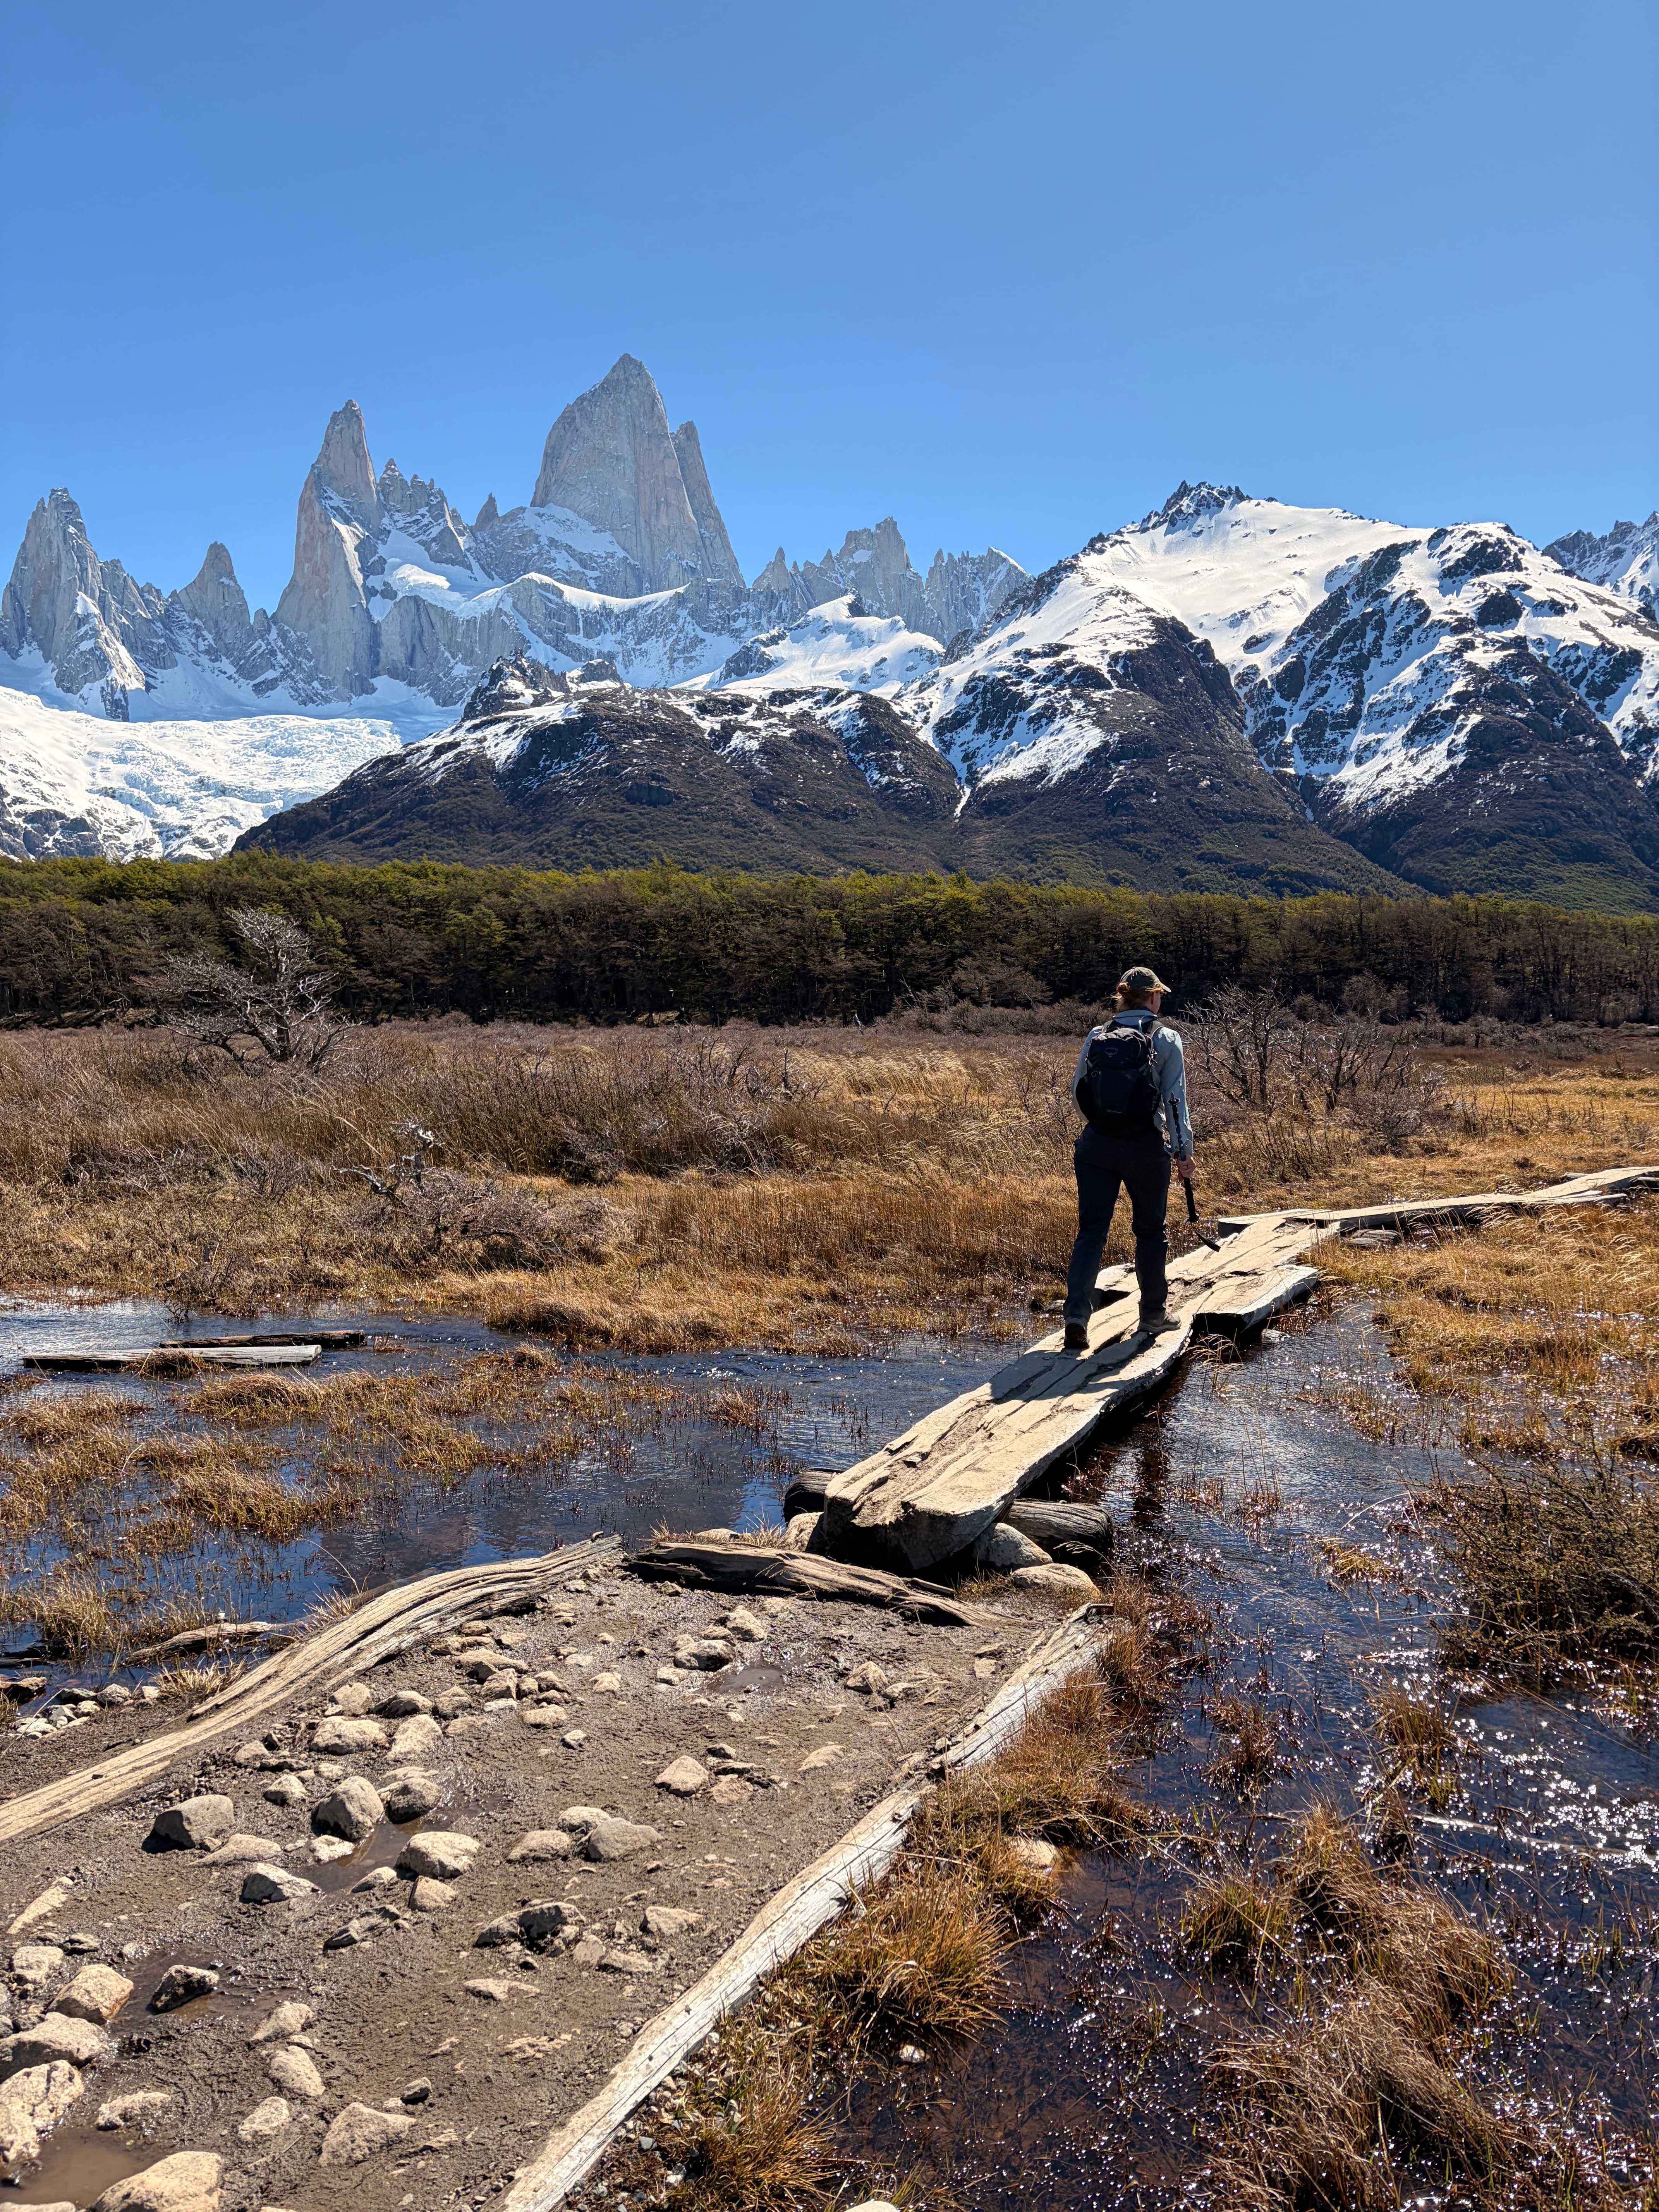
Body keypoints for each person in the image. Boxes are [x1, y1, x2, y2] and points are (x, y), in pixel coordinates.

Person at [1062, 965, 1195, 1352]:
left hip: (1096, 1145)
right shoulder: (1166, 1037)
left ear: (1123, 996)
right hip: (1144, 1148)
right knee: (1151, 1232)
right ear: (1153, 997)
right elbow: (1175, 1101)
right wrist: (1183, 1153)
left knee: (1091, 1233)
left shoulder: (1097, 1034)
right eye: (1160, 995)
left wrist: (1104, 1125)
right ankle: (1153, 1314)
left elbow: (1078, 1092)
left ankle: (1076, 1317)